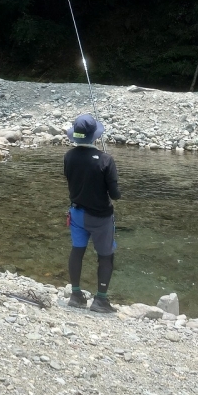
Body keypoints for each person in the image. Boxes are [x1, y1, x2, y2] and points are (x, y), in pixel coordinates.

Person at [63, 113, 121, 313]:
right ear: (94, 136)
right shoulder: (105, 160)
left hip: (77, 214)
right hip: (100, 218)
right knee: (106, 256)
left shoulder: (68, 156)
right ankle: (100, 300)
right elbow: (115, 195)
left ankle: (76, 295)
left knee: (77, 251)